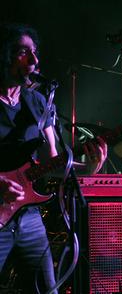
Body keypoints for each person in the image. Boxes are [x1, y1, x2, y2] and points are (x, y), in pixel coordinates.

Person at [0, 23, 107, 293]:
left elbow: (53, 163)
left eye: (34, 52)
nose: (34, 61)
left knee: (47, 289)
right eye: (23, 52)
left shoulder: (37, 102)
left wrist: (87, 168)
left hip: (28, 216)